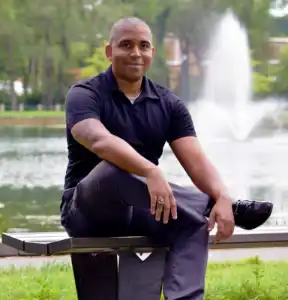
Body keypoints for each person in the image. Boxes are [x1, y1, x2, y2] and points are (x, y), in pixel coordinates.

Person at [60, 17, 272, 300]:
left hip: (143, 208)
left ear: (152, 53)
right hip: (87, 210)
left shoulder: (168, 103)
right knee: (111, 170)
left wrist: (221, 194)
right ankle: (222, 205)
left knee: (194, 219)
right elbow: (98, 140)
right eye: (126, 45)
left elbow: (196, 160)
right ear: (109, 51)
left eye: (143, 46)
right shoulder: (85, 93)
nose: (136, 52)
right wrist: (150, 171)